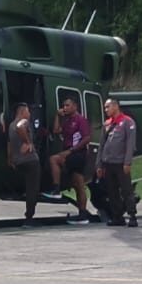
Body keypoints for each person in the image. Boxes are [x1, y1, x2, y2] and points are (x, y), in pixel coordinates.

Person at [49, 95, 100, 224]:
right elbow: (56, 130)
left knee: (54, 160)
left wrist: (71, 150)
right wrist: (57, 116)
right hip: (71, 153)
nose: (65, 108)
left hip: (77, 154)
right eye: (64, 106)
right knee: (78, 184)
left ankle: (56, 189)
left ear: (75, 106)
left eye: (68, 105)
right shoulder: (67, 121)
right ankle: (82, 214)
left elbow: (87, 138)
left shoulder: (80, 120)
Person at [97, 98, 138, 228]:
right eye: (105, 107)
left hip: (121, 163)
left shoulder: (127, 122)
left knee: (126, 190)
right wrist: (99, 164)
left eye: (107, 107)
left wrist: (127, 162)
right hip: (108, 163)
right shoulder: (107, 124)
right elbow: (102, 145)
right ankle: (117, 216)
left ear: (115, 106)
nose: (106, 110)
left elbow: (130, 144)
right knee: (112, 191)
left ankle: (132, 215)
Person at [7, 103, 40, 227]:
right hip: (30, 160)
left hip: (18, 161)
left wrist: (10, 159)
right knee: (33, 189)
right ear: (22, 112)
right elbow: (20, 126)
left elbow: (9, 144)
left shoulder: (10, 125)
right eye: (28, 111)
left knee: (28, 186)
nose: (29, 114)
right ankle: (29, 217)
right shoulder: (23, 121)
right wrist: (28, 142)